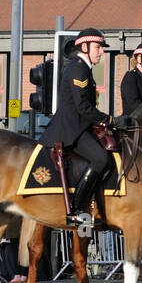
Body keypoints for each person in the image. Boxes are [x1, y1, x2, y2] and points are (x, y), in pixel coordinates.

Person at [39, 27, 119, 227]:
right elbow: (83, 107)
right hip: (71, 130)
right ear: (84, 46)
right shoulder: (78, 69)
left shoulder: (84, 69)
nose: (101, 51)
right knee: (101, 159)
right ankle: (76, 209)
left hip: (81, 126)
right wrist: (109, 120)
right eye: (98, 47)